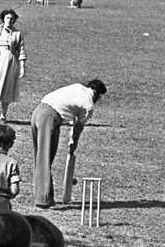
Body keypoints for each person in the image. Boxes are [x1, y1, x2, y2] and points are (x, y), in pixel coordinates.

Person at [29, 78, 108, 208]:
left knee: (43, 157)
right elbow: (78, 127)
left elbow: (73, 119)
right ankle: (42, 200)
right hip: (49, 117)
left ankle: (45, 196)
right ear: (97, 94)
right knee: (44, 158)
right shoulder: (88, 104)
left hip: (38, 111)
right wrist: (73, 144)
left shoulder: (77, 87)